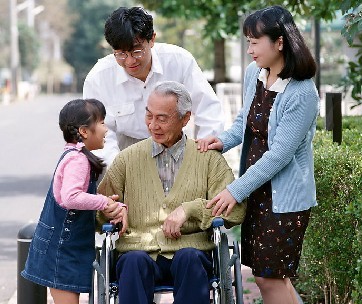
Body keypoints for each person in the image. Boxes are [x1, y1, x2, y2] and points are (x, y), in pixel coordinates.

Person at [196, 6, 320, 304]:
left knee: (268, 277)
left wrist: (235, 190)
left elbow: (279, 155)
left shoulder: (302, 92)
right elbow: (245, 121)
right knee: (274, 278)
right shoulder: (255, 73)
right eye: (247, 42)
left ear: (280, 42)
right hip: (258, 191)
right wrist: (221, 141)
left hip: (285, 200)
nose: (249, 50)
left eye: (255, 42)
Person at [97, 81, 246, 304]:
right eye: (149, 116)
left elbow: (236, 211)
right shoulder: (127, 159)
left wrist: (191, 209)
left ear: (185, 118)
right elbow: (99, 212)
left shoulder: (207, 158)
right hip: (138, 251)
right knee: (133, 261)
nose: (153, 125)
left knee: (189, 257)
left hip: (191, 253)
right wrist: (111, 210)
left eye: (162, 118)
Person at [83, 6, 224, 166]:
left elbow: (208, 110)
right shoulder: (98, 78)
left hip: (174, 147)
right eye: (121, 54)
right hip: (123, 152)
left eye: (136, 51)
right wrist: (118, 168)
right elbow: (99, 133)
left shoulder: (179, 61)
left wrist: (203, 154)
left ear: (152, 40)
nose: (130, 61)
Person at [21, 99, 124, 304]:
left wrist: (102, 204)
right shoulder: (78, 160)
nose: (106, 129)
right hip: (61, 249)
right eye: (102, 123)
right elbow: (71, 197)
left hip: (63, 246)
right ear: (85, 131)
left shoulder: (73, 154)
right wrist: (103, 202)